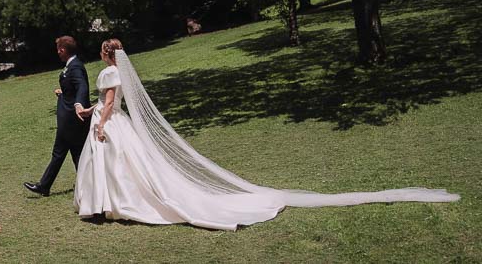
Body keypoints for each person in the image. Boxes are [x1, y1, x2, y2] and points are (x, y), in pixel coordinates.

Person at [74, 39, 460, 230]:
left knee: (121, 168)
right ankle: (112, 206)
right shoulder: (122, 71)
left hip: (113, 127)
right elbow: (109, 101)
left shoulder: (109, 73)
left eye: (104, 54)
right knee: (132, 168)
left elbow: (110, 102)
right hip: (116, 122)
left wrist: (102, 122)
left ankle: (116, 206)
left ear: (108, 56)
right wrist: (93, 111)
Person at [24, 35, 91, 197]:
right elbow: (73, 87)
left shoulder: (75, 66)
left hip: (71, 120)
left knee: (67, 153)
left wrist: (79, 104)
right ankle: (84, 184)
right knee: (72, 153)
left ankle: (48, 186)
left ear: (63, 50)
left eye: (58, 50)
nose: (57, 53)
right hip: (68, 119)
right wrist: (64, 93)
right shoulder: (71, 65)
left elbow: (82, 86)